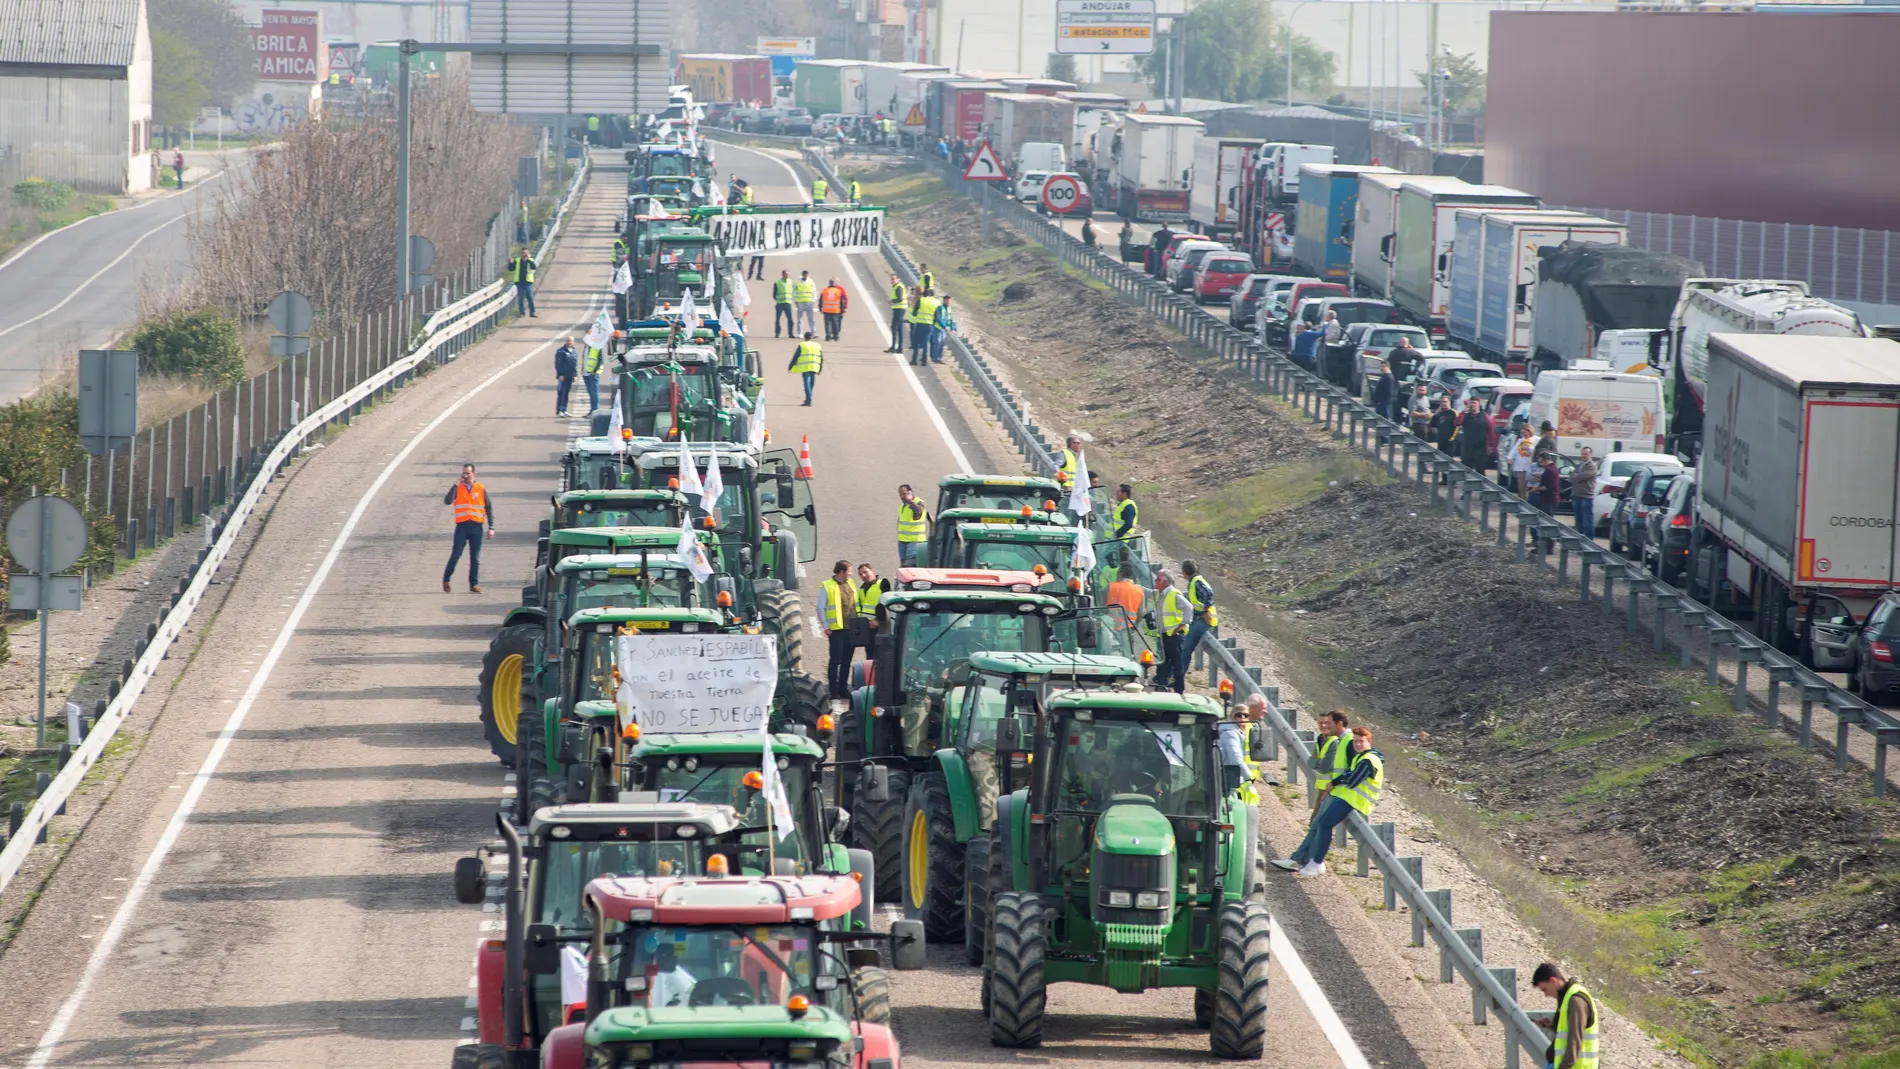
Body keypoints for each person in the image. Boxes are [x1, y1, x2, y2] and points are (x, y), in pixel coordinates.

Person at [1288, 727, 1382, 877]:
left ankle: (1317, 862)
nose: (1357, 744)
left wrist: (1335, 782)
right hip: (1348, 798)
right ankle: (1315, 861)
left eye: (1361, 742)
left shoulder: (1369, 760)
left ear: (1369, 742)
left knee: (1324, 824)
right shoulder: (1362, 757)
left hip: (1355, 800)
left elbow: (1352, 779)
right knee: (1322, 823)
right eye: (1356, 742)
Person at [1271, 710, 1351, 868]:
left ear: (1338, 724)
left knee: (1318, 825)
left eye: (1328, 723)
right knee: (1317, 825)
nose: (1324, 726)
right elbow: (1312, 762)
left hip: (1336, 791)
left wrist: (1323, 767)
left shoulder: (1340, 741)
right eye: (1321, 723)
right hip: (1329, 790)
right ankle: (1309, 860)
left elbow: (1325, 767)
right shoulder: (1324, 739)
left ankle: (1308, 860)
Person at [1532, 963, 1600, 1069]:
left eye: (1545, 989)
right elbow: (1568, 1032)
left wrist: (1564, 1067)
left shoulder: (1575, 1000)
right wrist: (1553, 1025)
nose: (1546, 995)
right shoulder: (1567, 997)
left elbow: (1575, 1039)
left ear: (1553, 980)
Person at [441, 464, 496, 593]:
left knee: (475, 558)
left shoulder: (480, 488)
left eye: (468, 473)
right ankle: (446, 579)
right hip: (462, 527)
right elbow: (448, 501)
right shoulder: (458, 487)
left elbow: (488, 507)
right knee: (456, 554)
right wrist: (454, 486)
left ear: (474, 474)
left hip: (477, 527)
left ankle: (474, 584)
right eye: (464, 473)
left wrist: (491, 527)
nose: (465, 476)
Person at [820, 560, 858, 699]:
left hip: (851, 629)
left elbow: (856, 604)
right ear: (841, 572)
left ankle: (843, 688)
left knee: (847, 661)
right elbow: (820, 607)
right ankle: (833, 690)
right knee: (835, 661)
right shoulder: (827, 585)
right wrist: (825, 626)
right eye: (849, 571)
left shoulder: (851, 583)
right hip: (836, 630)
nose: (851, 574)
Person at [1150, 570, 1191, 693]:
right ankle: (1162, 687)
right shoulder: (1160, 593)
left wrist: (1183, 624)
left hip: (1174, 635)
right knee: (1162, 663)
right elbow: (1147, 593)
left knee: (1177, 664)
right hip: (1164, 634)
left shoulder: (1173, 594)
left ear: (1165, 582)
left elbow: (1189, 608)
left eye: (1158, 579)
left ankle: (1179, 690)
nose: (1155, 581)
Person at [1180, 560, 1218, 666]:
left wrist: (1205, 611)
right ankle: (1177, 676)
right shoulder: (1195, 581)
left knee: (1185, 650)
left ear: (1186, 571)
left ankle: (1177, 677)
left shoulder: (1196, 582)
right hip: (1199, 619)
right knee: (1185, 650)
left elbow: (1208, 593)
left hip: (1202, 620)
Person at [853, 562, 888, 655]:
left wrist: (878, 621)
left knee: (881, 655)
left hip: (881, 627)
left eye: (865, 572)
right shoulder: (861, 588)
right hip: (867, 627)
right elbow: (860, 607)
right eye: (860, 574)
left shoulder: (882, 583)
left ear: (872, 570)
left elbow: (887, 605)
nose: (863, 575)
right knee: (870, 655)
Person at [648, 942, 697, 1008]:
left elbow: (692, 993)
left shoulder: (679, 974)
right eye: (665, 956)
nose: (668, 959)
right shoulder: (648, 973)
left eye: (670, 956)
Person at [1455, 398, 1492, 475]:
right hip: (1467, 447)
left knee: (1480, 469)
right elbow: (1456, 422)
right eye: (1471, 403)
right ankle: (1468, 486)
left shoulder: (1484, 416)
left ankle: (1481, 486)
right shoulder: (1465, 416)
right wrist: (1465, 409)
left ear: (1478, 404)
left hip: (1480, 448)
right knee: (1467, 470)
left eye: (1474, 403)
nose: (1472, 405)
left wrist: (1490, 445)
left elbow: (1491, 430)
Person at [896, 484, 929, 566]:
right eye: (900, 494)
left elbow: (917, 513)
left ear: (910, 493)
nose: (902, 496)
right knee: (903, 566)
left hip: (915, 541)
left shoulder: (918, 503)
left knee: (910, 565)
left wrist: (911, 502)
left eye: (904, 494)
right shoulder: (903, 505)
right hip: (902, 541)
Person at [1570, 446, 1600, 535]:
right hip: (1576, 496)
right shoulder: (1579, 465)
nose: (1583, 456)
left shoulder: (1592, 466)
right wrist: (1576, 476)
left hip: (1586, 497)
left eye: (1586, 454)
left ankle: (1589, 542)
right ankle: (1579, 541)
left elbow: (1581, 477)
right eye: (1582, 454)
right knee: (1578, 522)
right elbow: (1571, 477)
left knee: (1587, 521)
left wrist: (1576, 476)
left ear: (1590, 455)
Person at [789, 333, 823, 406]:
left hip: (805, 367)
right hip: (814, 367)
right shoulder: (817, 345)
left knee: (807, 384)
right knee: (811, 384)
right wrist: (820, 369)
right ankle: (809, 397)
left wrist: (790, 366)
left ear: (805, 338)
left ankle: (808, 399)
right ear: (811, 338)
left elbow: (796, 356)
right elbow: (821, 358)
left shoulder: (802, 345)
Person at [908, 289, 940, 366]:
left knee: (916, 342)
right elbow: (936, 316)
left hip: (919, 324)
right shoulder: (936, 302)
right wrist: (932, 324)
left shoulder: (921, 300)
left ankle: (914, 359)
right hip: (929, 325)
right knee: (925, 343)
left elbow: (914, 313)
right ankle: (924, 361)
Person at [507, 248, 537, 317]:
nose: (524, 254)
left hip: (528, 282)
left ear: (528, 253)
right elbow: (511, 269)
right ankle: (522, 313)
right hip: (519, 282)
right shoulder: (517, 261)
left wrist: (529, 260)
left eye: (525, 253)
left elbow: (534, 267)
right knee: (520, 298)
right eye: (523, 253)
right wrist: (510, 263)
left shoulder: (530, 260)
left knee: (530, 298)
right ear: (521, 254)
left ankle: (532, 312)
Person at [554, 337, 579, 418]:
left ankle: (564, 409)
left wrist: (575, 375)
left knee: (566, 393)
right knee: (562, 392)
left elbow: (574, 365)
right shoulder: (561, 351)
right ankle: (560, 410)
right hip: (563, 376)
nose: (569, 342)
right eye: (568, 340)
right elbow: (558, 364)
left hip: (570, 376)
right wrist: (560, 374)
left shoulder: (574, 351)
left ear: (573, 342)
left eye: (570, 341)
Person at [1510, 423, 1537, 496]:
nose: (1524, 434)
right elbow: (1514, 449)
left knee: (1529, 485)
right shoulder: (1520, 440)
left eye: (1525, 432)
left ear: (1530, 431)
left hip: (1530, 465)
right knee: (1521, 485)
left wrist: (1528, 448)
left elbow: (1537, 450)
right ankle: (1522, 499)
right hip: (1520, 465)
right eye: (1522, 433)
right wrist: (1510, 458)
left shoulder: (1536, 439)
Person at [886, 275, 909, 353]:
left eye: (893, 279)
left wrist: (892, 301)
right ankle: (899, 348)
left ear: (897, 279)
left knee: (894, 328)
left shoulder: (898, 287)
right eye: (891, 279)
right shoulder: (898, 286)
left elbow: (900, 299)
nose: (892, 281)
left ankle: (894, 347)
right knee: (899, 329)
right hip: (900, 309)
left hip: (899, 309)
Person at [930, 295, 956, 363]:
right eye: (947, 301)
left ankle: (939, 358)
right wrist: (944, 326)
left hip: (944, 330)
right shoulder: (939, 308)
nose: (948, 302)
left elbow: (950, 320)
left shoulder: (949, 309)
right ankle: (935, 358)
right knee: (937, 343)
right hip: (937, 328)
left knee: (941, 344)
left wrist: (952, 328)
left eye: (949, 301)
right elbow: (938, 318)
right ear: (944, 301)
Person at [582, 342, 605, 415]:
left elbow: (601, 359)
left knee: (594, 392)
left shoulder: (597, 346)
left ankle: (595, 410)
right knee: (590, 392)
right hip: (586, 373)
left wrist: (595, 370)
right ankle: (592, 409)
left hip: (593, 374)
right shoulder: (586, 347)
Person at [793, 270, 818, 338]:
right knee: (799, 318)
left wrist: (814, 300)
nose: (806, 276)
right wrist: (795, 300)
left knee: (811, 318)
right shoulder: (797, 281)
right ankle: (799, 333)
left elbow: (814, 291)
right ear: (802, 275)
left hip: (809, 302)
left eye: (807, 275)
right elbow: (793, 291)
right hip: (800, 302)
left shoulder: (810, 281)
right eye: (804, 275)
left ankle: (813, 332)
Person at [773, 270, 795, 339]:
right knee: (777, 319)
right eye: (785, 274)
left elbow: (794, 290)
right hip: (779, 303)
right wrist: (777, 299)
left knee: (790, 319)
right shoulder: (777, 282)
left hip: (787, 302)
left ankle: (790, 333)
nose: (787, 276)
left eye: (788, 274)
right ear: (782, 275)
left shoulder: (791, 282)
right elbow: (774, 293)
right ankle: (777, 333)